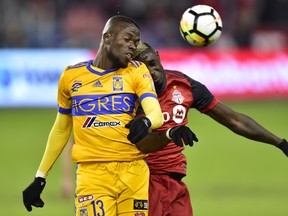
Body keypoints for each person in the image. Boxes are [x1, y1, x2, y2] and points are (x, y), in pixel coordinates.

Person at [22, 15, 164, 216]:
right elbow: (61, 129)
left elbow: (156, 114)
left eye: (136, 42)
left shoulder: (137, 71)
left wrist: (147, 121)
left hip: (133, 173)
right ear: (107, 38)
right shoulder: (72, 77)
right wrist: (40, 177)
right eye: (128, 39)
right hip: (92, 175)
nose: (133, 46)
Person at [130, 41, 288, 216]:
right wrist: (170, 133)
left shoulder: (184, 85)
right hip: (144, 183)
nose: (151, 72)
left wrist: (280, 143)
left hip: (175, 184)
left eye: (152, 63)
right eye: (144, 69)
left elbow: (234, 120)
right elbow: (142, 143)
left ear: (158, 56)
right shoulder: (131, 96)